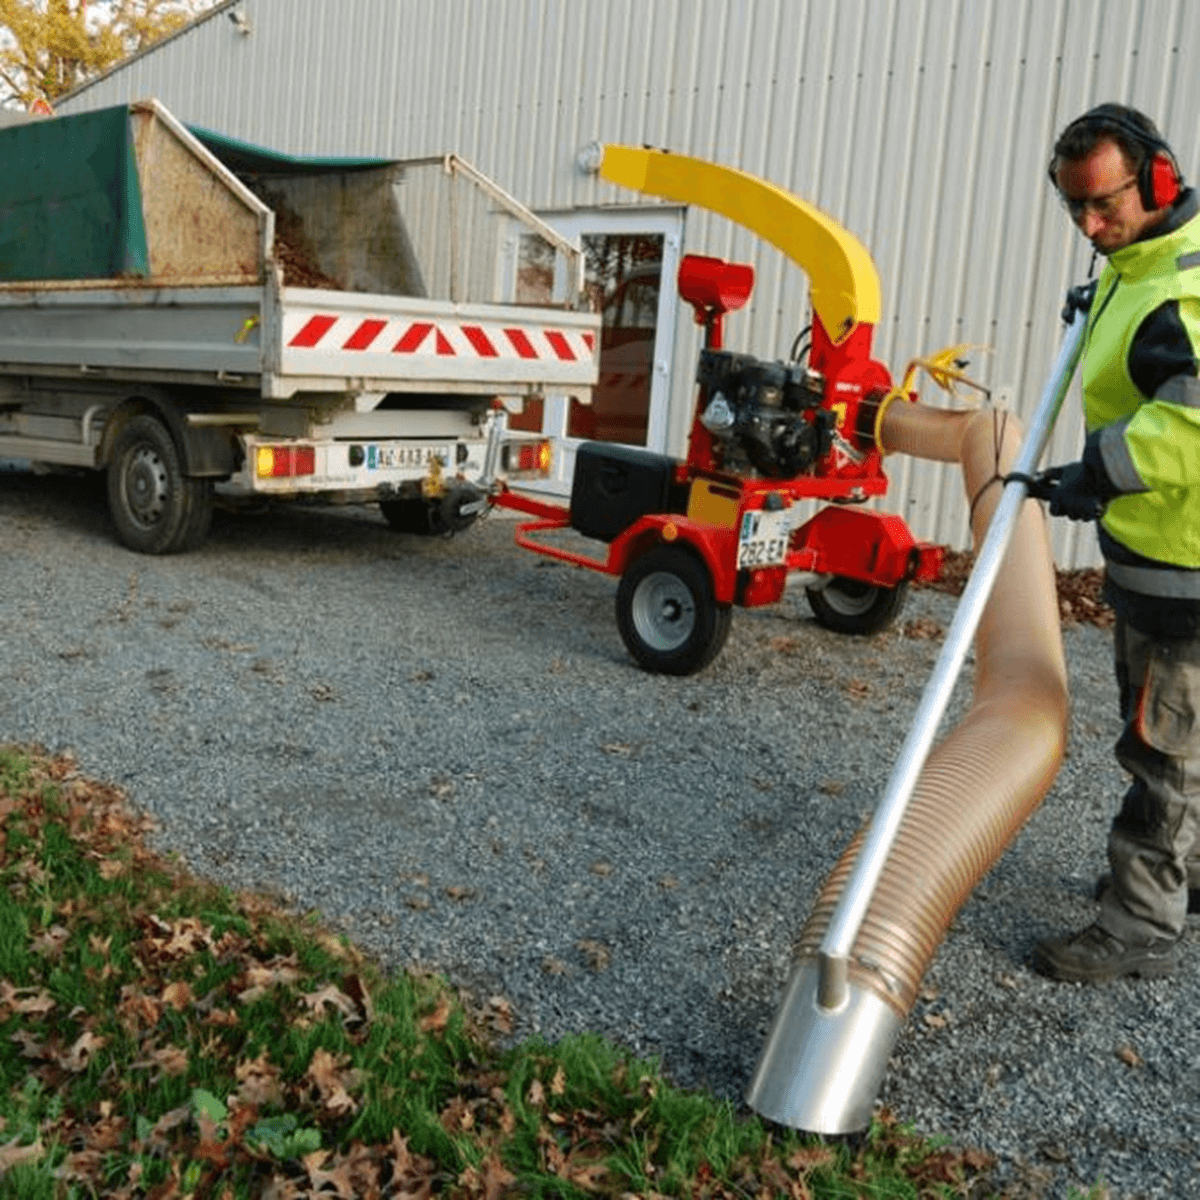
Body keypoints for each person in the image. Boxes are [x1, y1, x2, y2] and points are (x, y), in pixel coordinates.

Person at [1032, 103, 1200, 984]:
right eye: (1075, 209)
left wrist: (1094, 472)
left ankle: (1141, 924)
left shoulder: (1186, 292)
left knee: (1162, 755)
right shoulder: (1139, 266)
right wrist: (1095, 303)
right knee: (1179, 743)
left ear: (1160, 179)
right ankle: (1183, 880)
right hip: (1154, 565)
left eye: (1104, 204)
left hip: (1188, 573)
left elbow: (1188, 432)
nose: (1090, 228)